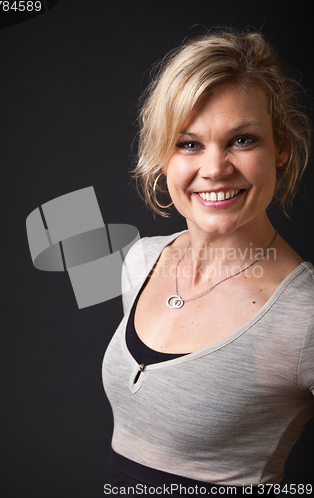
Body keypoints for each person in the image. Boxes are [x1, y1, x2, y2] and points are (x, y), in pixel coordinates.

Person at [102, 29, 314, 497]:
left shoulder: (306, 317)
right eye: (189, 144)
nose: (215, 168)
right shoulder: (141, 261)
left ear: (280, 148)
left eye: (242, 140)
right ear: (162, 155)